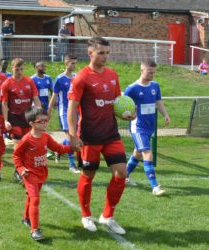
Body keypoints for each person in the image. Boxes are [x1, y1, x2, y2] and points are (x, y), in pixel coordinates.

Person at [67, 36, 135, 235]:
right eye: (101, 53)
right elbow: (72, 108)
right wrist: (72, 135)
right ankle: (86, 215)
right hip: (89, 135)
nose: (105, 57)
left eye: (107, 53)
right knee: (88, 175)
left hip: (111, 134)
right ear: (90, 53)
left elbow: (118, 102)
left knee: (121, 173)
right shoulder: (81, 77)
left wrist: (129, 114)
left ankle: (107, 216)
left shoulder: (113, 75)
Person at [13, 106, 75, 241]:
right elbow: (16, 156)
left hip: (42, 172)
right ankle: (34, 230)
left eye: (46, 120)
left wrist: (72, 148)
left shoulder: (46, 137)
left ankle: (25, 218)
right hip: (30, 175)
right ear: (31, 123)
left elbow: (57, 148)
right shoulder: (26, 139)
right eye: (41, 121)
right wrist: (21, 169)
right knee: (35, 199)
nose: (45, 123)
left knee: (31, 197)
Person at [124, 59, 170, 196]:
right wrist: (127, 114)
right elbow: (122, 106)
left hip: (150, 126)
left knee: (137, 154)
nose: (152, 75)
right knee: (147, 153)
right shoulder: (132, 88)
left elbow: (158, 102)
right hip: (138, 127)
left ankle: (123, 177)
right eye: (150, 72)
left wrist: (165, 114)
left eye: (154, 72)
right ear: (142, 70)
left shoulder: (155, 86)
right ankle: (155, 187)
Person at [0, 58, 41, 183]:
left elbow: (36, 99)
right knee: (18, 146)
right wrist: (6, 120)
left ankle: (25, 169)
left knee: (28, 145)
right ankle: (19, 171)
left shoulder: (29, 82)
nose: (19, 71)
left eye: (21, 69)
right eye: (17, 69)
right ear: (12, 68)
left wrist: (40, 115)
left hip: (27, 118)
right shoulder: (6, 83)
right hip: (14, 118)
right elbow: (4, 104)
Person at [48, 54, 80, 173]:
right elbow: (54, 95)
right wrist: (49, 110)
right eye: (72, 63)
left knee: (74, 137)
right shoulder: (60, 78)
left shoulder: (77, 77)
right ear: (66, 63)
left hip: (76, 111)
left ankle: (59, 150)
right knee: (71, 138)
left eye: (75, 63)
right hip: (64, 111)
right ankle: (72, 165)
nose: (74, 65)